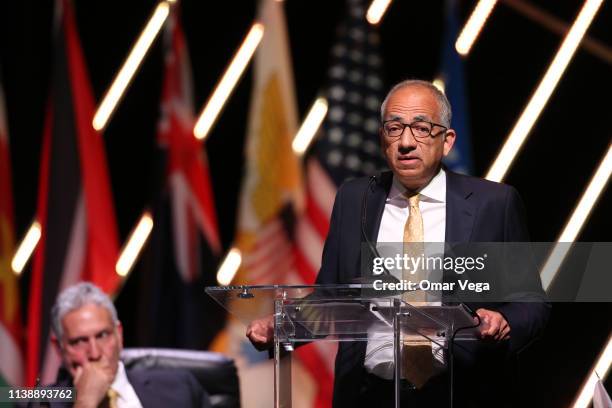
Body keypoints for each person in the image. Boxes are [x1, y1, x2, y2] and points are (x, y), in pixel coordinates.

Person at [247, 79, 550, 407]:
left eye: (421, 128)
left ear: (447, 141)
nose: (406, 141)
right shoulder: (354, 199)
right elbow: (330, 296)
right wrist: (282, 326)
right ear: (382, 138)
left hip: (461, 392)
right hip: (368, 393)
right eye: (394, 128)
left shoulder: (494, 203)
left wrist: (505, 322)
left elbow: (530, 304)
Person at [44, 282, 211, 408]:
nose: (94, 353)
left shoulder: (181, 389)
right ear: (58, 347)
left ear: (119, 334)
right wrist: (84, 402)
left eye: (102, 335)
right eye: (79, 341)